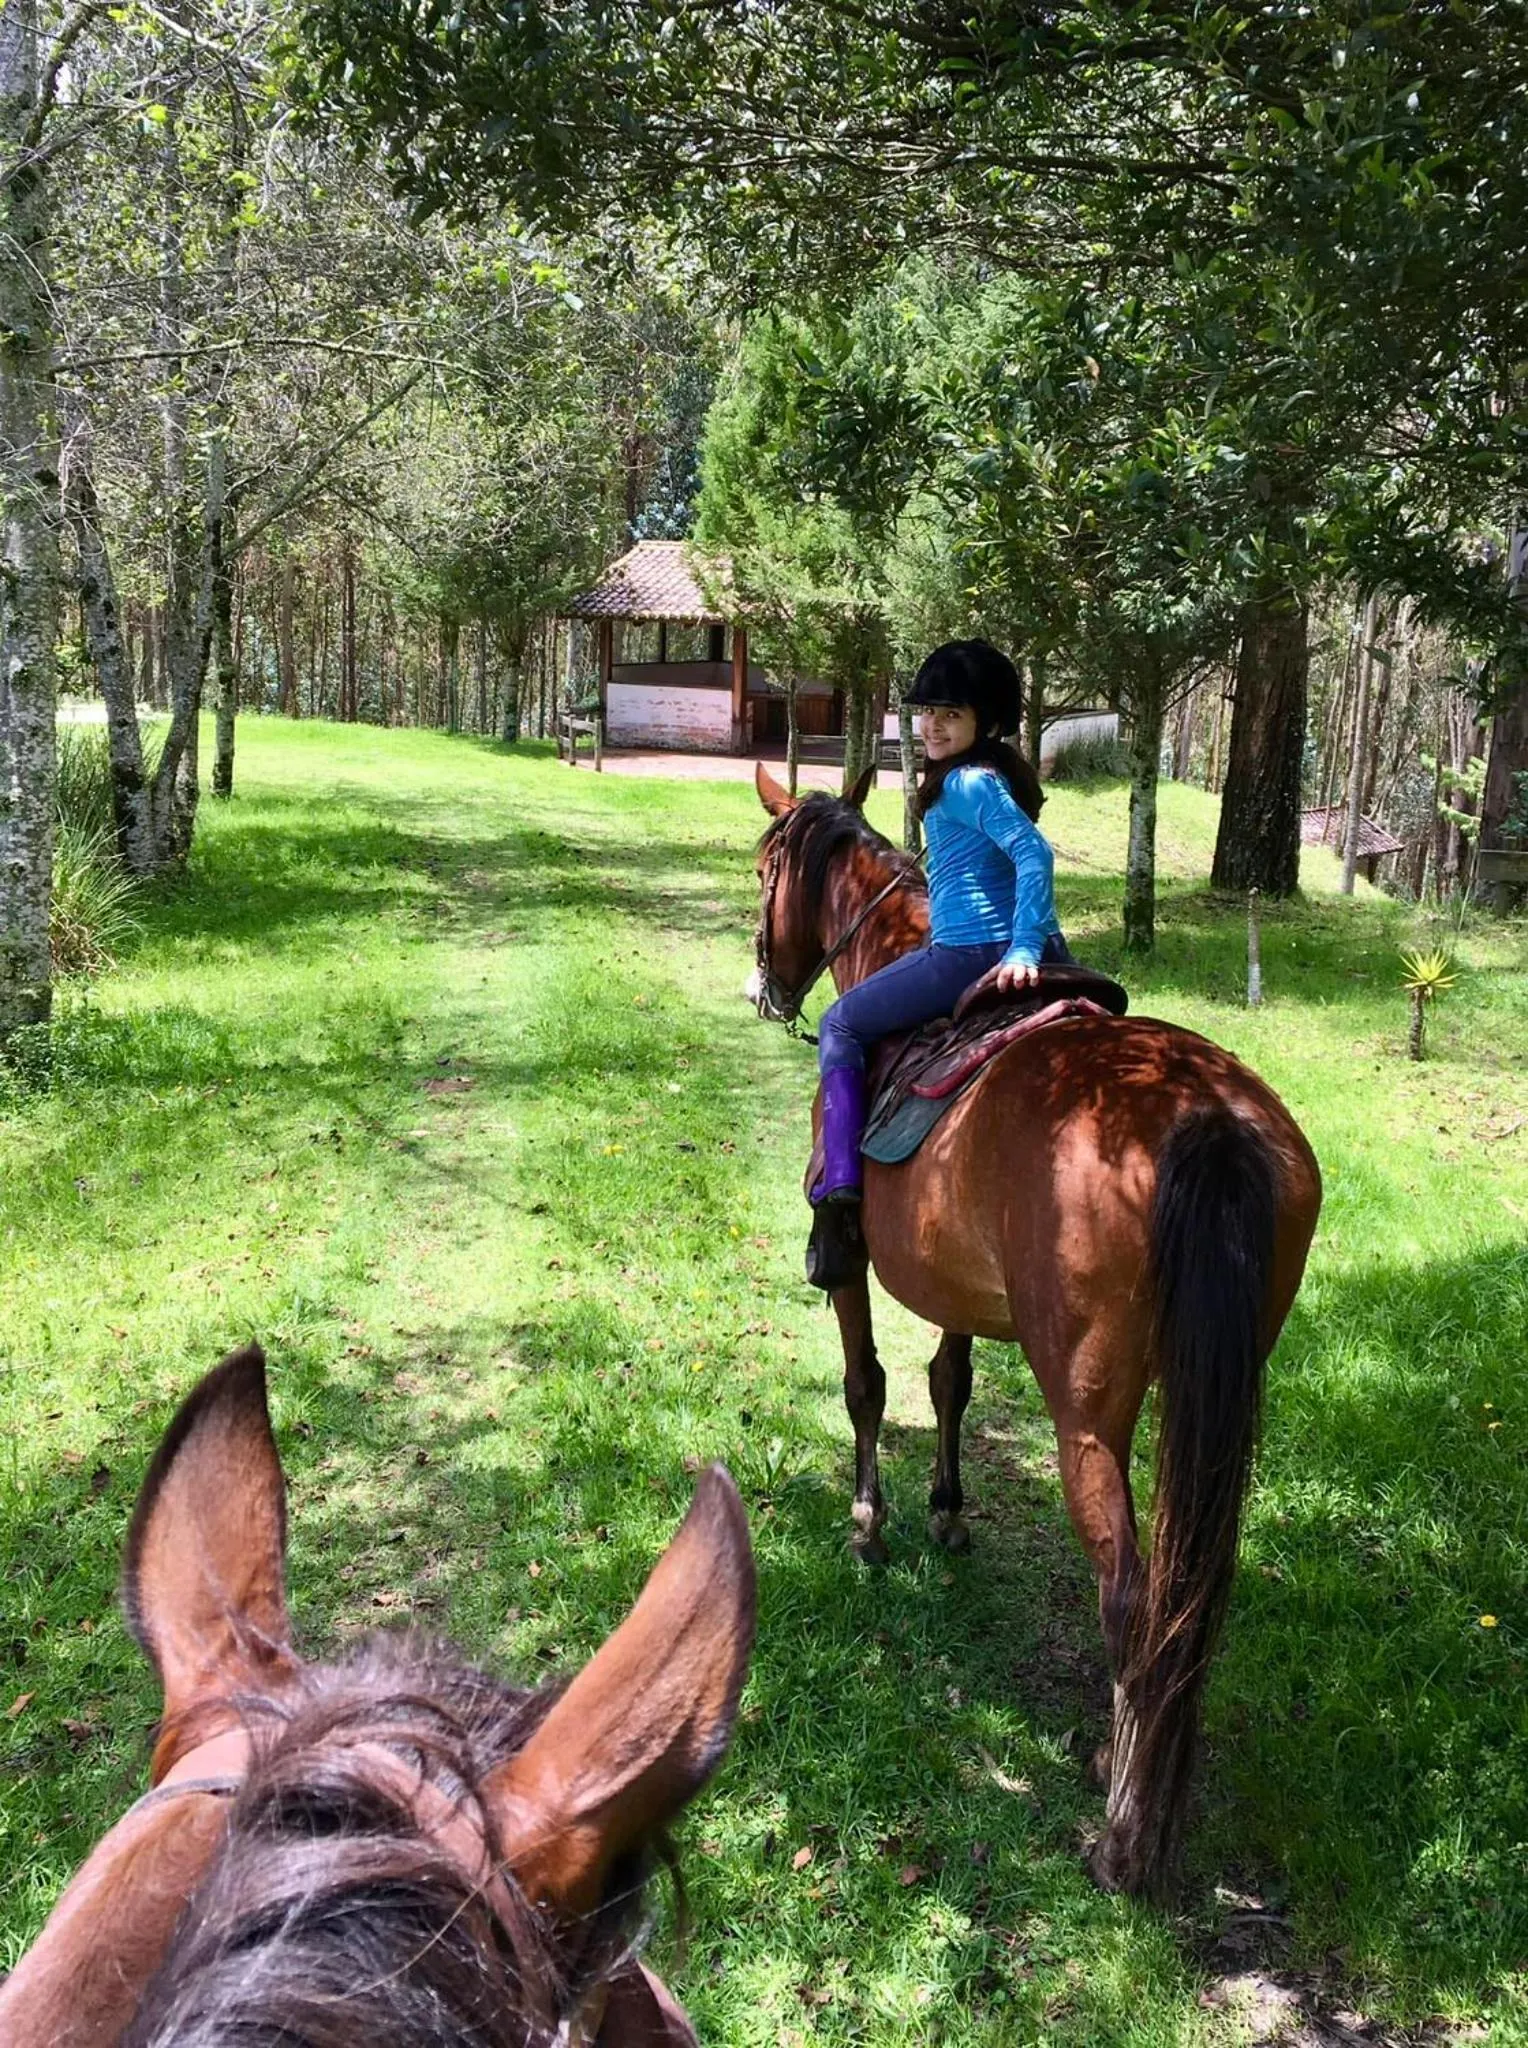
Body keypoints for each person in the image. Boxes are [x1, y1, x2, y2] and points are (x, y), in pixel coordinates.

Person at [807, 638, 1071, 1290]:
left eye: (950, 715)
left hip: (970, 953)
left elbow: (1035, 856)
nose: (932, 726)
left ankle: (839, 1184)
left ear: (985, 723)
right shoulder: (989, 776)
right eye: (926, 712)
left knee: (841, 1021)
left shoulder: (967, 781)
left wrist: (1020, 949)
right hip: (1048, 948)